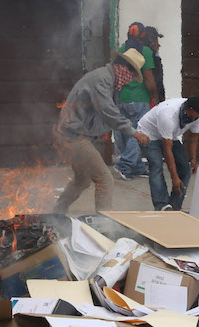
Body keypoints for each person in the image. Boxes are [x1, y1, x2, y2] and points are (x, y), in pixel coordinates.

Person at [54, 48, 150, 214]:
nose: (130, 81)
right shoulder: (102, 79)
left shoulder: (108, 79)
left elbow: (107, 114)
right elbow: (109, 112)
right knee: (105, 179)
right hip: (73, 136)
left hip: (74, 134)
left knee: (82, 180)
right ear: (126, 69)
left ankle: (57, 212)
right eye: (132, 76)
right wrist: (135, 133)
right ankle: (105, 222)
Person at [138, 96, 199, 211]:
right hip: (148, 134)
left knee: (185, 169)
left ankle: (175, 206)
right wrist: (174, 178)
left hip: (170, 135)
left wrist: (193, 159)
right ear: (186, 108)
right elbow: (167, 150)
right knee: (156, 166)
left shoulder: (197, 115)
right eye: (191, 116)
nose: (193, 119)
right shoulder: (168, 115)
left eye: (196, 117)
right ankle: (162, 205)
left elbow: (193, 136)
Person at [113, 22, 160, 180]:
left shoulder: (121, 51)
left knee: (128, 131)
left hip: (123, 98)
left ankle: (137, 167)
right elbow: (148, 78)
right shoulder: (145, 51)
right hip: (140, 98)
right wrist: (154, 96)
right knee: (140, 132)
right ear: (142, 35)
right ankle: (125, 165)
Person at [144, 26, 166, 103]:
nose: (158, 45)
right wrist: (159, 97)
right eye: (156, 40)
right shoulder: (152, 56)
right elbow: (157, 79)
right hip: (151, 98)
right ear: (151, 40)